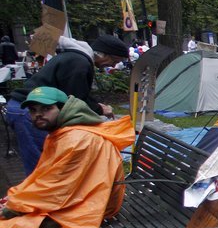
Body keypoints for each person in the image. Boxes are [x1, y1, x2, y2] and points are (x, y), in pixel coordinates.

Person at [0, 86, 134, 228]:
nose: (38, 115)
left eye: (46, 109)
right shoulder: (64, 132)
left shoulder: (75, 139)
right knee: (10, 221)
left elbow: (57, 190)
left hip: (89, 207)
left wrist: (14, 207)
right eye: (33, 110)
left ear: (63, 109)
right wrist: (14, 199)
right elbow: (47, 178)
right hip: (78, 199)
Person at [6, 35, 129, 175]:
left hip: (26, 108)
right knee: (42, 165)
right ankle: (44, 189)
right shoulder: (79, 63)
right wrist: (100, 109)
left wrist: (97, 105)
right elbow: (75, 99)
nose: (113, 66)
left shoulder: (75, 58)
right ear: (103, 54)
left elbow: (76, 92)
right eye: (114, 61)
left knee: (43, 161)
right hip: (31, 110)